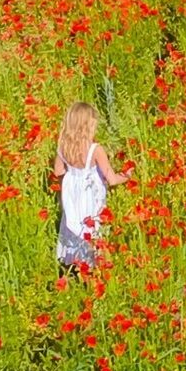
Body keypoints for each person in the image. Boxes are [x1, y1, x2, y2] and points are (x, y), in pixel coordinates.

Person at [52, 102, 131, 271]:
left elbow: (58, 171)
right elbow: (112, 179)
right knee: (93, 229)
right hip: (91, 197)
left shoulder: (62, 147)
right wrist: (126, 176)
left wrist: (69, 185)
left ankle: (74, 265)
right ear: (88, 125)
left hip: (73, 197)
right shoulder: (95, 150)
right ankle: (97, 268)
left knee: (74, 225)